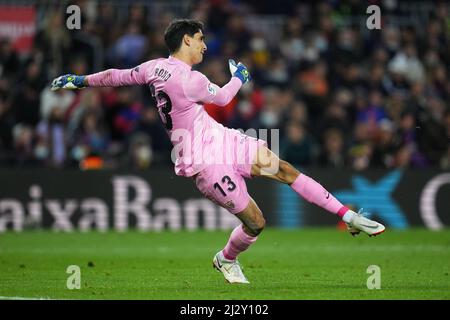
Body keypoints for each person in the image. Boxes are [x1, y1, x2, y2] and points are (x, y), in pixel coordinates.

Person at [51, 19, 385, 284]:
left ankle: (349, 216)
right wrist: (240, 76)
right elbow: (224, 98)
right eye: (199, 39)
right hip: (203, 161)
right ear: (186, 41)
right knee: (256, 223)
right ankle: (226, 258)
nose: (204, 45)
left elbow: (116, 76)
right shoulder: (189, 80)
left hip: (221, 138)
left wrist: (79, 80)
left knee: (283, 168)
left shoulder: (153, 68)